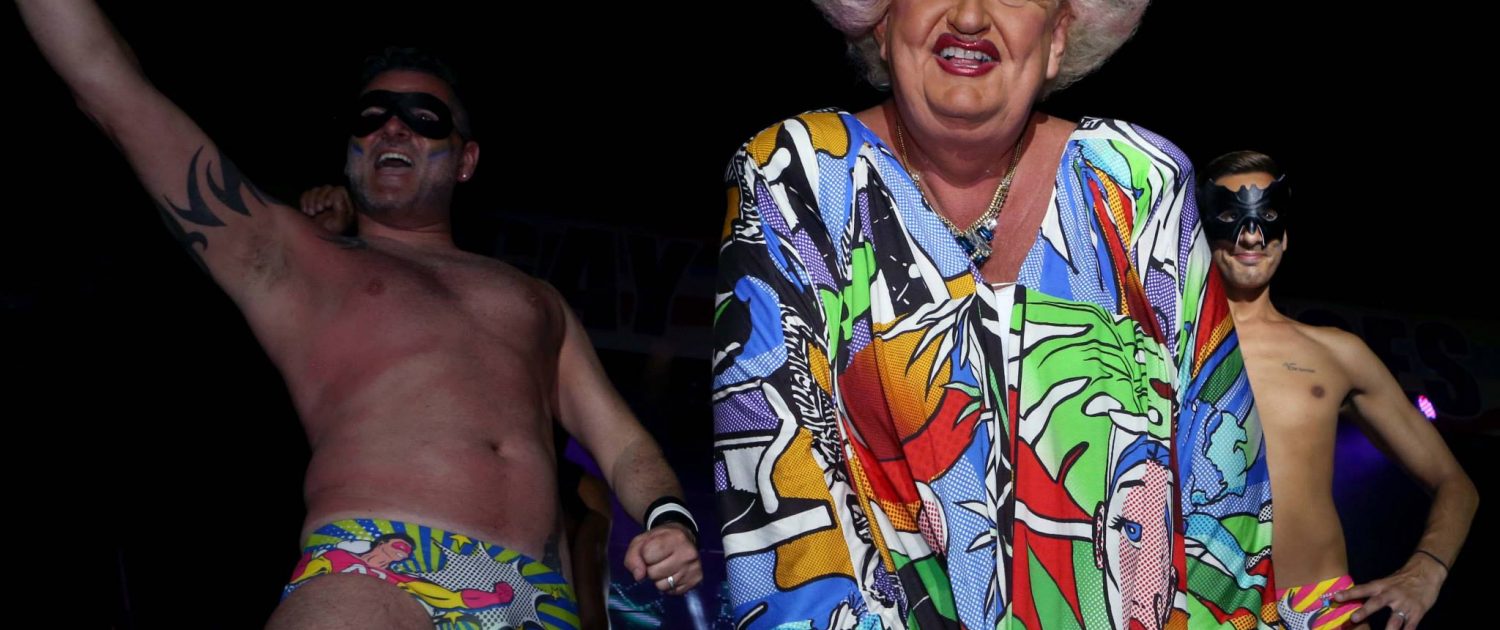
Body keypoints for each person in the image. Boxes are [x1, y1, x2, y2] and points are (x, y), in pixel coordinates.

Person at [16, 2, 702, 628]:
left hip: (536, 595)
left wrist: (669, 518)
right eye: (371, 117)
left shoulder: (534, 299)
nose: (392, 127)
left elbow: (625, 445)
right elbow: (109, 85)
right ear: (350, 150)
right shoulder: (295, 260)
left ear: (465, 159)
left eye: (423, 117)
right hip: (376, 564)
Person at [710, 0, 1277, 627]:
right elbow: (781, 508)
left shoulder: (1138, 184)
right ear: (881, 20)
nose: (970, 17)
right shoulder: (796, 179)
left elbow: (1226, 490)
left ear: (1058, 34)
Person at [1201, 150, 1478, 629]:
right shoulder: (1161, 347)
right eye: (1230, 218)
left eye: (1267, 218)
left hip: (1318, 609)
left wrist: (1426, 570)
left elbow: (1455, 484)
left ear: (1285, 236)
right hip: (1194, 607)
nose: (1250, 235)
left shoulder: (1337, 355)